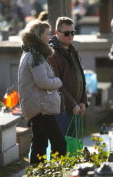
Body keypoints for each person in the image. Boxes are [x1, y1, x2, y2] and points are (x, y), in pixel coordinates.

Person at [18, 20, 66, 165]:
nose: (50, 37)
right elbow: (42, 82)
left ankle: (37, 173)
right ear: (38, 35)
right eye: (47, 34)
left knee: (40, 144)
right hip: (41, 107)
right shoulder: (35, 55)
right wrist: (58, 81)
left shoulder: (30, 52)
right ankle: (57, 173)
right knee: (59, 143)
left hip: (37, 106)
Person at [48, 16, 88, 135]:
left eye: (72, 32)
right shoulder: (53, 53)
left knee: (73, 148)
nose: (70, 35)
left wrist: (83, 101)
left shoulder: (72, 49)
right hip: (63, 110)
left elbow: (80, 77)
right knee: (62, 148)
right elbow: (57, 84)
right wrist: (73, 104)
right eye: (66, 33)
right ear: (57, 33)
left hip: (76, 108)